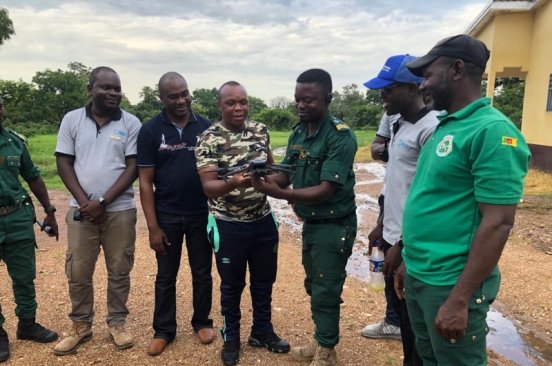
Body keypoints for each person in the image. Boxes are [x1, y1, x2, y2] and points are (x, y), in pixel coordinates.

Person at [393, 34, 531, 366]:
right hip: (421, 274)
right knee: (428, 359)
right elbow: (432, 200)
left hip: (450, 283)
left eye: (428, 74)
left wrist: (460, 299)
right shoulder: (445, 126)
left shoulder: (492, 132)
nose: (423, 84)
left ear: (456, 70)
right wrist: (407, 259)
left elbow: (498, 221)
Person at [252, 69, 357, 366]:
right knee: (315, 283)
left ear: (327, 98)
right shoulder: (300, 131)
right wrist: (260, 179)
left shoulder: (340, 136)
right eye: (298, 99)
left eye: (308, 100)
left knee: (326, 286)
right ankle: (322, 340)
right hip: (313, 223)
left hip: (335, 223)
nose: (301, 105)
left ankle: (327, 352)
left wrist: (280, 195)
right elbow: (286, 172)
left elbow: (326, 189)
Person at [195, 81, 289, 366]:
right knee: (232, 286)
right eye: (231, 103)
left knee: (264, 281)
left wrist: (273, 183)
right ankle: (232, 338)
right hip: (228, 224)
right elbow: (209, 187)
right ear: (219, 105)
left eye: (243, 102)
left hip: (262, 220)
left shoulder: (260, 130)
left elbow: (272, 169)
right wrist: (234, 181)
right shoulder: (209, 138)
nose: (239, 108)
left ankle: (262, 331)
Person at [53, 66, 141, 355]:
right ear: (90, 89)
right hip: (82, 211)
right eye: (106, 87)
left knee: (119, 269)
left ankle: (117, 323)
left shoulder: (130, 123)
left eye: (117, 88)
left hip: (120, 210)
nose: (113, 93)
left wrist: (102, 202)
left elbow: (133, 167)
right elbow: (64, 162)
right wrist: (85, 202)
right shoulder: (72, 120)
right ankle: (80, 326)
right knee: (78, 270)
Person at [361, 54, 439, 366]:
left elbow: (430, 198)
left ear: (410, 88)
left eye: (387, 89)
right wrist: (382, 225)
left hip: (414, 244)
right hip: (395, 238)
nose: (381, 95)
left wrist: (405, 247)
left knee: (419, 331)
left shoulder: (431, 129)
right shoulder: (400, 125)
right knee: (406, 326)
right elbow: (395, 185)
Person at [137, 72, 214, 356]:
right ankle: (164, 330)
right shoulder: (150, 130)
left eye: (184, 93)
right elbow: (145, 181)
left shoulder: (206, 127)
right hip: (167, 215)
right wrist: (153, 227)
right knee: (165, 275)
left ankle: (202, 322)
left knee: (202, 272)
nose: (181, 100)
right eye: (173, 96)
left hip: (201, 214)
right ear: (162, 98)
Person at [0, 97, 59, 363]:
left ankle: (27, 323)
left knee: (24, 276)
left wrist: (50, 210)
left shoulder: (14, 141)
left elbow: (33, 176)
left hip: (16, 218)